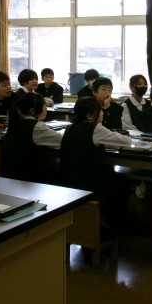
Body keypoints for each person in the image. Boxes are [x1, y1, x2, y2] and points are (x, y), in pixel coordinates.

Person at [60, 97, 131, 233]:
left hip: (70, 179)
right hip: (91, 183)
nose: (102, 113)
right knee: (122, 181)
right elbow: (126, 141)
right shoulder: (95, 129)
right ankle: (114, 224)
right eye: (100, 111)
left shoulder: (70, 128)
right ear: (90, 116)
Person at [0, 92, 62, 182]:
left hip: (10, 175)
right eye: (44, 106)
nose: (46, 109)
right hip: (27, 178)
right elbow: (62, 141)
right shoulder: (37, 127)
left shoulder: (16, 122)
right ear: (32, 111)